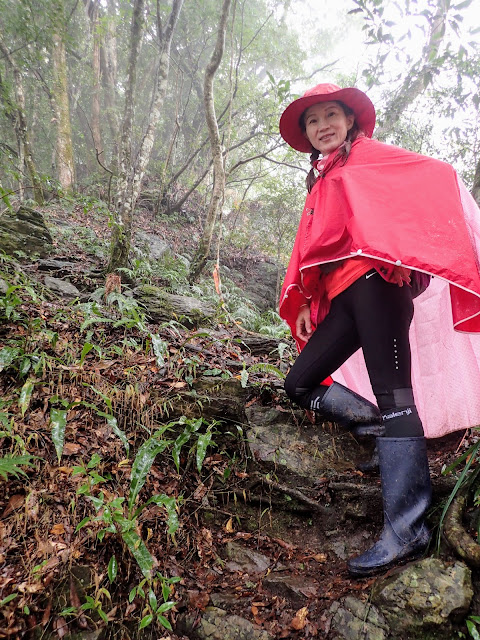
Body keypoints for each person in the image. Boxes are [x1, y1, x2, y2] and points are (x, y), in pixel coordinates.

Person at [277, 83, 480, 577]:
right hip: (345, 297)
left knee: (397, 398)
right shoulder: (323, 177)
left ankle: (407, 528)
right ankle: (378, 433)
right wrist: (304, 300)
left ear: (350, 120)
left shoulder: (369, 158)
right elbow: (316, 246)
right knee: (299, 383)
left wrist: (402, 252)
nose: (322, 125)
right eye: (312, 121)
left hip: (378, 288)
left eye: (331, 115)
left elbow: (434, 176)